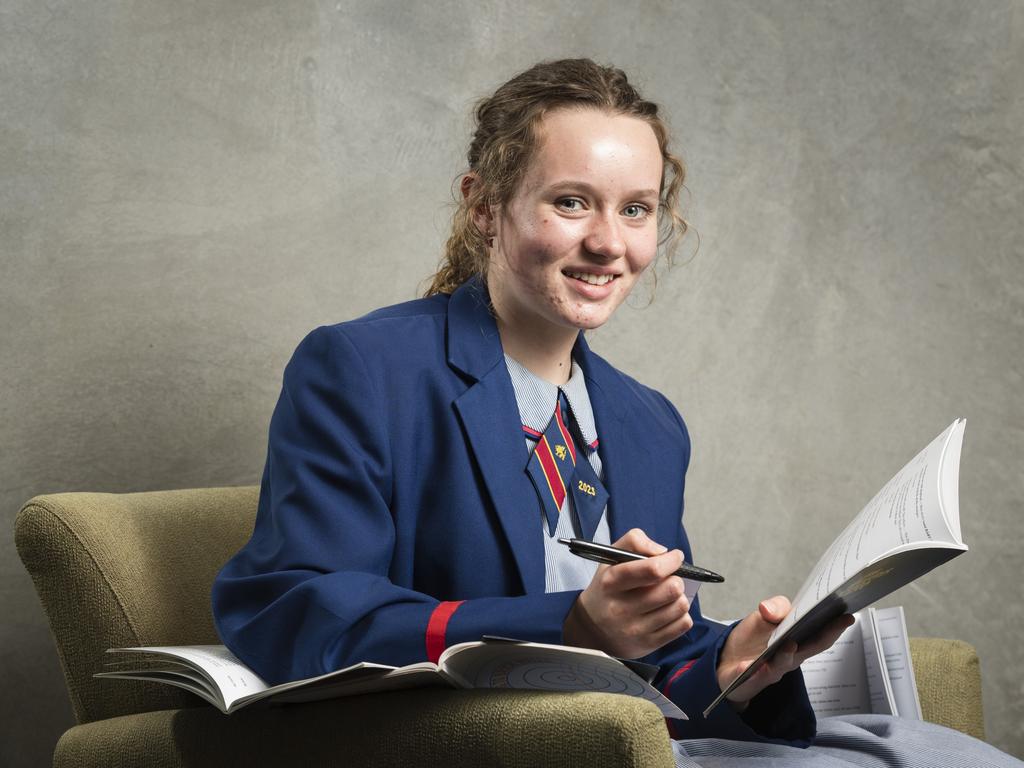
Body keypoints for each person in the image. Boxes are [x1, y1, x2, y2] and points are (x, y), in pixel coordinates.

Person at [212, 59, 1021, 767]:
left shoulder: (649, 422)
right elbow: (292, 606)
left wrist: (734, 664)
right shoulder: (359, 366)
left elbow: (657, 667)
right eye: (571, 202)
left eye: (635, 210)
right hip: (474, 742)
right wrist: (570, 622)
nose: (609, 243)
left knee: (929, 753)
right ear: (484, 205)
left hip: (627, 744)